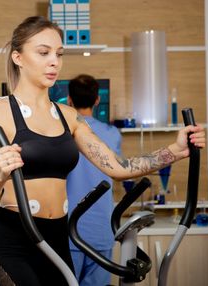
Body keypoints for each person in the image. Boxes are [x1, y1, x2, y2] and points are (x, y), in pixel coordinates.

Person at [0, 16, 206, 286]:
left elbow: (119, 168)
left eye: (59, 54)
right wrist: (1, 173)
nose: (54, 62)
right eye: (43, 52)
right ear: (18, 57)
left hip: (57, 238)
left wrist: (175, 151)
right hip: (14, 239)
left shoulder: (69, 117)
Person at [66, 74, 121, 286]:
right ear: (97, 100)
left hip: (70, 230)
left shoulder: (63, 134)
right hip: (101, 229)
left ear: (69, 100)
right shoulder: (112, 134)